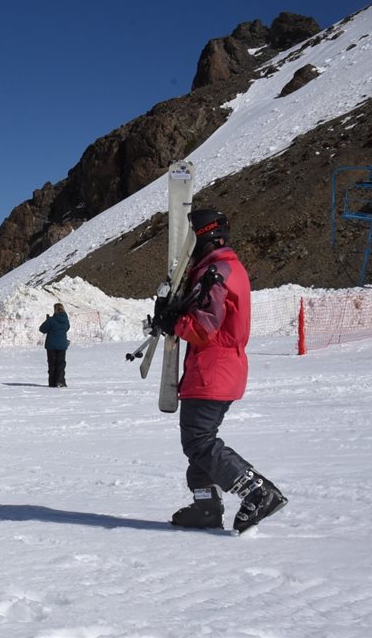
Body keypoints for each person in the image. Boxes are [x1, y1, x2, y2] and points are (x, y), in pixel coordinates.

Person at [154, 208, 287, 533]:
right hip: (216, 367)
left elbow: (203, 327)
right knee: (198, 442)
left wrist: (174, 321)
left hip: (213, 368)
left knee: (199, 441)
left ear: (203, 237)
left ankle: (256, 491)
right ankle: (206, 507)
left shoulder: (216, 272)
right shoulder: (224, 268)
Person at [39, 303, 70, 388]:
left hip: (51, 345)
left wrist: (47, 320)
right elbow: (67, 328)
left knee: (52, 364)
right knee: (61, 364)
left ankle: (52, 382)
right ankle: (60, 381)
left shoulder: (51, 320)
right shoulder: (66, 320)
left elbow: (42, 329)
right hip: (62, 345)